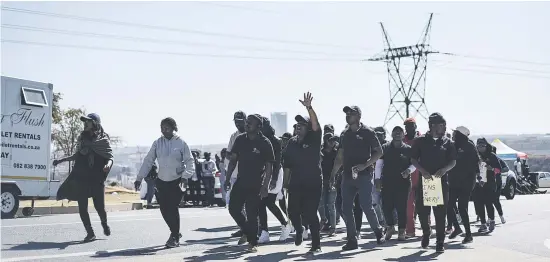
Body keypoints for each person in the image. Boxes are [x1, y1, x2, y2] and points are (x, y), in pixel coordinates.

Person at [330, 105, 386, 251]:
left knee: (366, 205)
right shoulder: (344, 135)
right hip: (347, 176)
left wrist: (365, 164)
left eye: (351, 113)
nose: (348, 115)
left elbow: (379, 152)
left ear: (359, 116)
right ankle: (352, 239)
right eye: (346, 113)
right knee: (346, 207)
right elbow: (340, 157)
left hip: (364, 175)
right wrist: (332, 174)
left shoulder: (368, 132)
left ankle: (378, 231)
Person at [134, 117, 195, 248]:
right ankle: (175, 233)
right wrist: (139, 178)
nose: (164, 130)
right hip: (162, 181)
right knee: (163, 208)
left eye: (166, 127)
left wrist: (185, 176)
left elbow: (190, 161)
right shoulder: (157, 143)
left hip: (178, 180)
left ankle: (174, 236)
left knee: (172, 207)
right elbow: (148, 160)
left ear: (174, 128)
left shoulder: (181, 143)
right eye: (162, 128)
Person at [54, 113, 114, 242]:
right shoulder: (82, 138)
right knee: (82, 207)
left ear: (95, 123)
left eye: (88, 121)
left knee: (100, 208)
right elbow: (78, 155)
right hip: (82, 177)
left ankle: (104, 223)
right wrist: (61, 160)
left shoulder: (103, 139)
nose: (85, 123)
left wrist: (108, 166)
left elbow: (110, 157)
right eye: (84, 121)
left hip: (97, 178)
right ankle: (90, 233)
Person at [225, 114, 274, 253]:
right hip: (240, 182)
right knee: (233, 209)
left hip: (256, 184)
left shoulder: (265, 142)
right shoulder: (240, 139)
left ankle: (252, 242)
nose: (246, 125)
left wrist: (265, 186)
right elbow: (233, 160)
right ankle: (247, 231)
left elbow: (269, 166)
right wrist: (227, 179)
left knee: (252, 213)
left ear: (259, 126)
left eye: (250, 123)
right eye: (246, 122)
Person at [410, 112, 457, 253]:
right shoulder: (420, 141)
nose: (444, 127)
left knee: (440, 213)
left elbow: (453, 161)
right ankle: (426, 232)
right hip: (425, 181)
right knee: (423, 211)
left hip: (441, 182)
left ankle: (440, 242)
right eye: (442, 125)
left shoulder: (448, 142)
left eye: (444, 125)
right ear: (432, 126)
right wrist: (422, 171)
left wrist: (445, 169)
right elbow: (413, 160)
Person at [282, 92, 323, 254]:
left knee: (310, 213)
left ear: (309, 128)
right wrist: (285, 183)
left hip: (313, 182)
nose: (298, 126)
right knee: (292, 210)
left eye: (302, 124)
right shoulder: (291, 143)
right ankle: (299, 230)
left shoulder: (314, 138)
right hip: (296, 182)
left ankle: (316, 245)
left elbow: (315, 123)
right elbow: (287, 165)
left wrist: (309, 108)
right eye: (297, 124)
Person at [375, 126, 415, 241]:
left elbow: (414, 164)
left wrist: (409, 170)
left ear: (403, 135)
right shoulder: (385, 148)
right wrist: (377, 179)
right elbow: (378, 165)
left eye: (400, 132)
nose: (397, 134)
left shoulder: (408, 149)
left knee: (401, 207)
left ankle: (402, 230)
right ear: (391, 134)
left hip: (403, 183)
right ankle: (390, 227)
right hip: (387, 182)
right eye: (395, 132)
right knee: (386, 206)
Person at [257, 116, 291, 243]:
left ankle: (285, 224)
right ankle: (264, 232)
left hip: (275, 173)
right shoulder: (260, 139)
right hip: (264, 173)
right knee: (261, 202)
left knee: (268, 202)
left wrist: (273, 179)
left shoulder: (275, 140)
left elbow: (277, 161)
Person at [447, 126, 479, 244]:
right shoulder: (453, 145)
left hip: (466, 182)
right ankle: (457, 228)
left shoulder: (469, 146)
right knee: (448, 205)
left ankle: (469, 234)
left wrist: (477, 177)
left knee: (462, 207)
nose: (453, 134)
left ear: (460, 134)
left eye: (455, 132)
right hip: (454, 181)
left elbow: (476, 163)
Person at [225, 111, 248, 237]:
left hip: (251, 175)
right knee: (236, 206)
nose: (238, 124)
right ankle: (243, 227)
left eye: (240, 121)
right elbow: (229, 154)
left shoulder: (251, 134)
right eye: (236, 121)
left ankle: (256, 229)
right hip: (236, 175)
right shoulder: (234, 136)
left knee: (251, 205)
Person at [474, 138, 501, 233]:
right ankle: (483, 223)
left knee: (489, 202)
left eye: (483, 146)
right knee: (479, 203)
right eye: (479, 146)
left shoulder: (492, 155)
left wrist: (492, 168)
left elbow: (499, 169)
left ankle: (492, 220)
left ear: (486, 146)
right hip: (478, 183)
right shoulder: (475, 155)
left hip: (489, 183)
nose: (481, 148)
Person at [403, 117, 422, 237]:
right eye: (407, 126)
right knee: (409, 206)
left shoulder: (422, 139)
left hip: (422, 175)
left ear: (415, 126)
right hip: (408, 177)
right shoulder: (402, 140)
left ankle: (427, 228)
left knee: (424, 205)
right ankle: (410, 230)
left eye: (411, 125)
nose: (409, 128)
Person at [318, 133, 339, 236]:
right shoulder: (320, 152)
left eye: (333, 140)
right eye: (330, 140)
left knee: (331, 205)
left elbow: (340, 166)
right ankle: (323, 219)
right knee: (320, 203)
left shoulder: (336, 153)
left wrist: (335, 179)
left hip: (333, 181)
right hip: (321, 181)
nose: (332, 142)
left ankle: (333, 228)